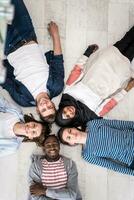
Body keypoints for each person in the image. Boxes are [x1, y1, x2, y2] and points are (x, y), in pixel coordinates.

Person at [56, 26, 134, 129]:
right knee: (131, 51)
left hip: (100, 66)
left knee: (125, 40)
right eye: (68, 116)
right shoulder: (90, 115)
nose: (69, 111)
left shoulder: (67, 94)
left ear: (61, 108)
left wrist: (87, 53)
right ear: (72, 120)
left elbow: (76, 72)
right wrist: (126, 89)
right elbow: (110, 104)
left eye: (64, 111)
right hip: (113, 78)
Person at [1, 0, 64, 123]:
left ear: (38, 111)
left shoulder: (23, 100)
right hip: (28, 35)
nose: (45, 104)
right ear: (53, 104)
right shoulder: (56, 87)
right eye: (50, 107)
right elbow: (57, 60)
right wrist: (55, 35)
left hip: (10, 45)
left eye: (43, 109)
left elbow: (6, 82)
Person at [57, 119, 134, 176]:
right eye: (69, 138)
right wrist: (131, 172)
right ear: (71, 143)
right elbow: (111, 165)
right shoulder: (87, 155)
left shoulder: (92, 124)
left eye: (70, 131)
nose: (73, 135)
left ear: (73, 128)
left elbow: (118, 124)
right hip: (131, 159)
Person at [29, 135, 82, 200]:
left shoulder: (70, 165)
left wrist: (44, 191)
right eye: (48, 145)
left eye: (55, 144)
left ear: (59, 146)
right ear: (44, 149)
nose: (52, 147)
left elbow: (72, 194)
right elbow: (35, 195)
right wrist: (63, 195)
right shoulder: (36, 166)